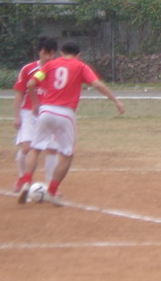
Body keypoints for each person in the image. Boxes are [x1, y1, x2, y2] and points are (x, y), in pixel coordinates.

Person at [16, 41, 125, 205]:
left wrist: (36, 103)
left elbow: (31, 83)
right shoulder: (81, 66)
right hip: (65, 113)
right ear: (78, 55)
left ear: (61, 52)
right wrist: (115, 100)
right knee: (67, 155)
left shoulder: (50, 65)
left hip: (46, 110)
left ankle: (26, 181)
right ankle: (52, 191)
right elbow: (96, 84)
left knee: (35, 148)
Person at [12, 37, 59, 193]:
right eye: (45, 53)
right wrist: (17, 116)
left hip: (49, 113)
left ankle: (50, 185)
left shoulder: (57, 71)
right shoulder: (28, 69)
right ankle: (22, 178)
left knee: (52, 149)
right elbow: (19, 93)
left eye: (51, 54)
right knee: (27, 147)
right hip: (28, 113)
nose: (48, 57)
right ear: (39, 52)